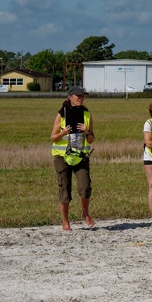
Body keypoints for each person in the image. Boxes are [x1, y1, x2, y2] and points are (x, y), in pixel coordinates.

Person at [50, 85, 95, 230]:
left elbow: (91, 139)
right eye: (78, 96)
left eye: (83, 96)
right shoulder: (62, 113)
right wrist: (63, 133)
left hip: (80, 157)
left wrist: (87, 131)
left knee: (85, 186)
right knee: (65, 188)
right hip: (62, 157)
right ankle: (65, 221)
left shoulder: (87, 114)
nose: (81, 98)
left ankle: (85, 214)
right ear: (70, 97)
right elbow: (53, 137)